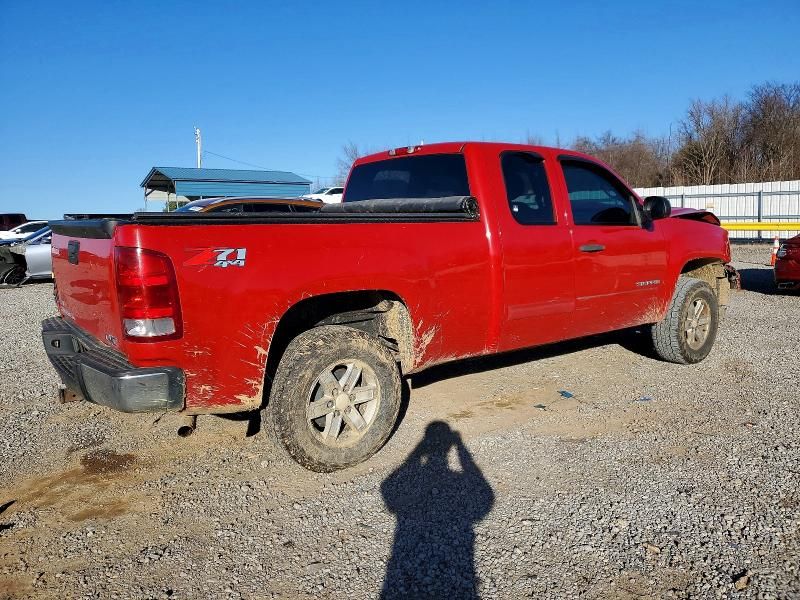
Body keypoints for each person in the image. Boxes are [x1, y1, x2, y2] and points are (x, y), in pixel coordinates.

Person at [380, 421, 494, 599]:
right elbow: (485, 497)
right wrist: (461, 448)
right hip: (461, 556)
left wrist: (418, 451)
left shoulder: (416, 479)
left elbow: (387, 489)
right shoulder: (458, 482)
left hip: (404, 554)